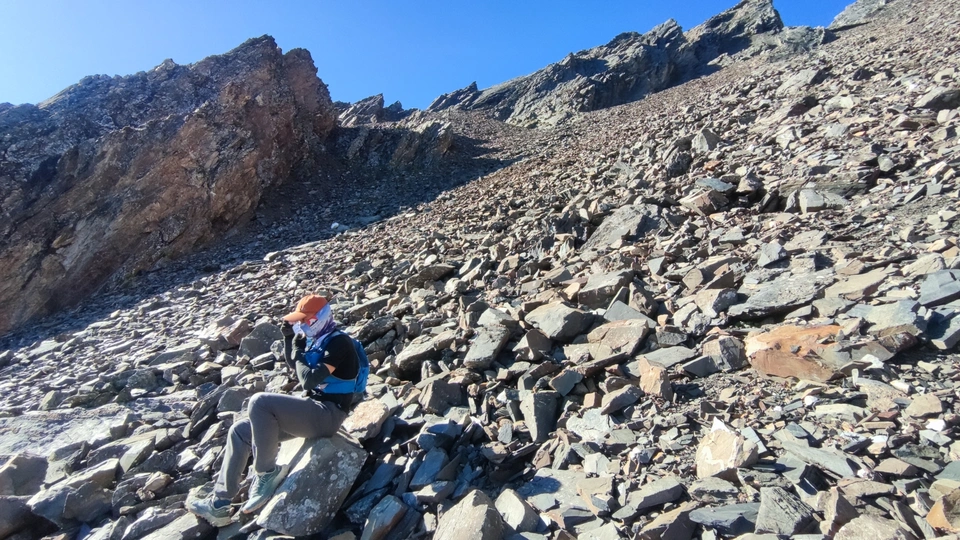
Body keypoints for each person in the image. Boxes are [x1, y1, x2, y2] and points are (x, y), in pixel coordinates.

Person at [187, 294, 363, 526]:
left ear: (321, 317)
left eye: (306, 320)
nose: (302, 325)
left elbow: (308, 380)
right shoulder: (318, 339)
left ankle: (266, 472)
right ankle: (220, 504)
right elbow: (295, 365)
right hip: (314, 410)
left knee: (260, 402)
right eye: (299, 321)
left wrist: (298, 351)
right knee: (240, 431)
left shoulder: (339, 343)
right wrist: (289, 338)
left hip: (328, 414)